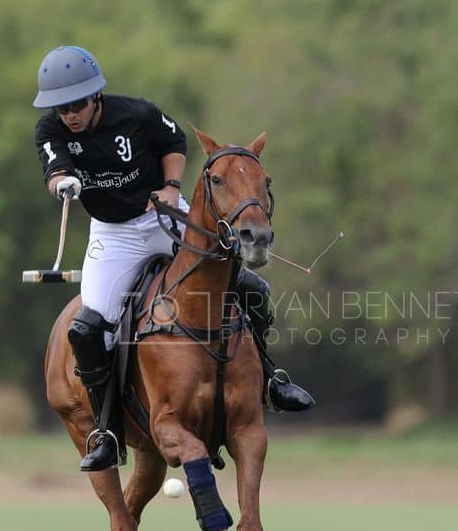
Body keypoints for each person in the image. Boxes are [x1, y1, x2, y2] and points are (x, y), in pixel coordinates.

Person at [32, 45, 313, 473]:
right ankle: (106, 430)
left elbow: (174, 141)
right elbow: (55, 170)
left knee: (252, 289)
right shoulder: (50, 131)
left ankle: (272, 381)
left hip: (164, 216)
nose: (68, 113)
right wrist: (64, 182)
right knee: (89, 328)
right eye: (61, 107)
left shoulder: (136, 114)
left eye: (76, 104)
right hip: (114, 235)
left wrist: (170, 185)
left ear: (96, 97)